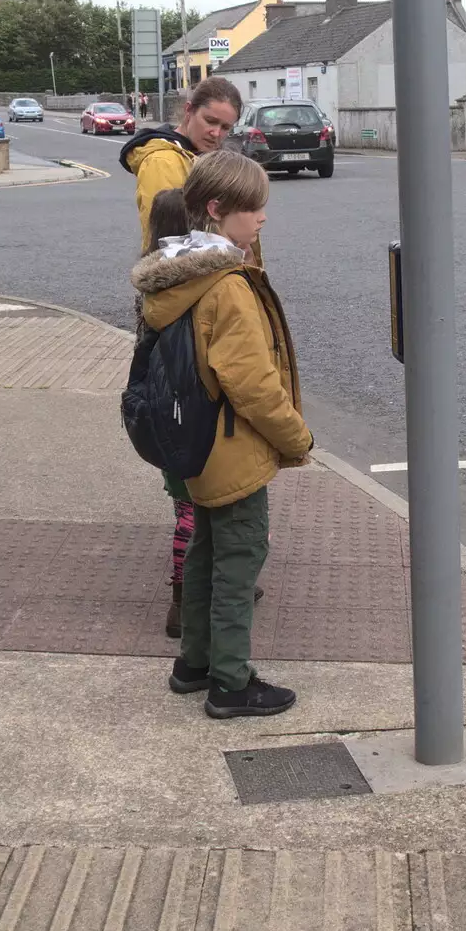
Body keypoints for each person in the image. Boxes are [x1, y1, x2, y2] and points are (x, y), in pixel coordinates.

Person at [131, 150, 310, 719]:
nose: (262, 219)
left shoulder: (179, 273)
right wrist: (295, 437)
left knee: (207, 553)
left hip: (195, 443)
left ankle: (194, 664)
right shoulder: (227, 285)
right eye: (252, 208)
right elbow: (253, 383)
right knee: (240, 558)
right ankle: (232, 684)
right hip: (231, 447)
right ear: (216, 208)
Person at [141, 188, 200, 638]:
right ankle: (182, 599)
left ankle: (190, 592)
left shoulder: (149, 275)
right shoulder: (193, 280)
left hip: (161, 409)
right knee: (196, 511)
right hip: (192, 410)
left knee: (185, 508)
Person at [119, 76, 242, 254]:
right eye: (210, 121)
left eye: (225, 127)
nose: (216, 133)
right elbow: (169, 240)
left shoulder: (206, 155)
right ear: (189, 110)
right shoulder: (163, 161)